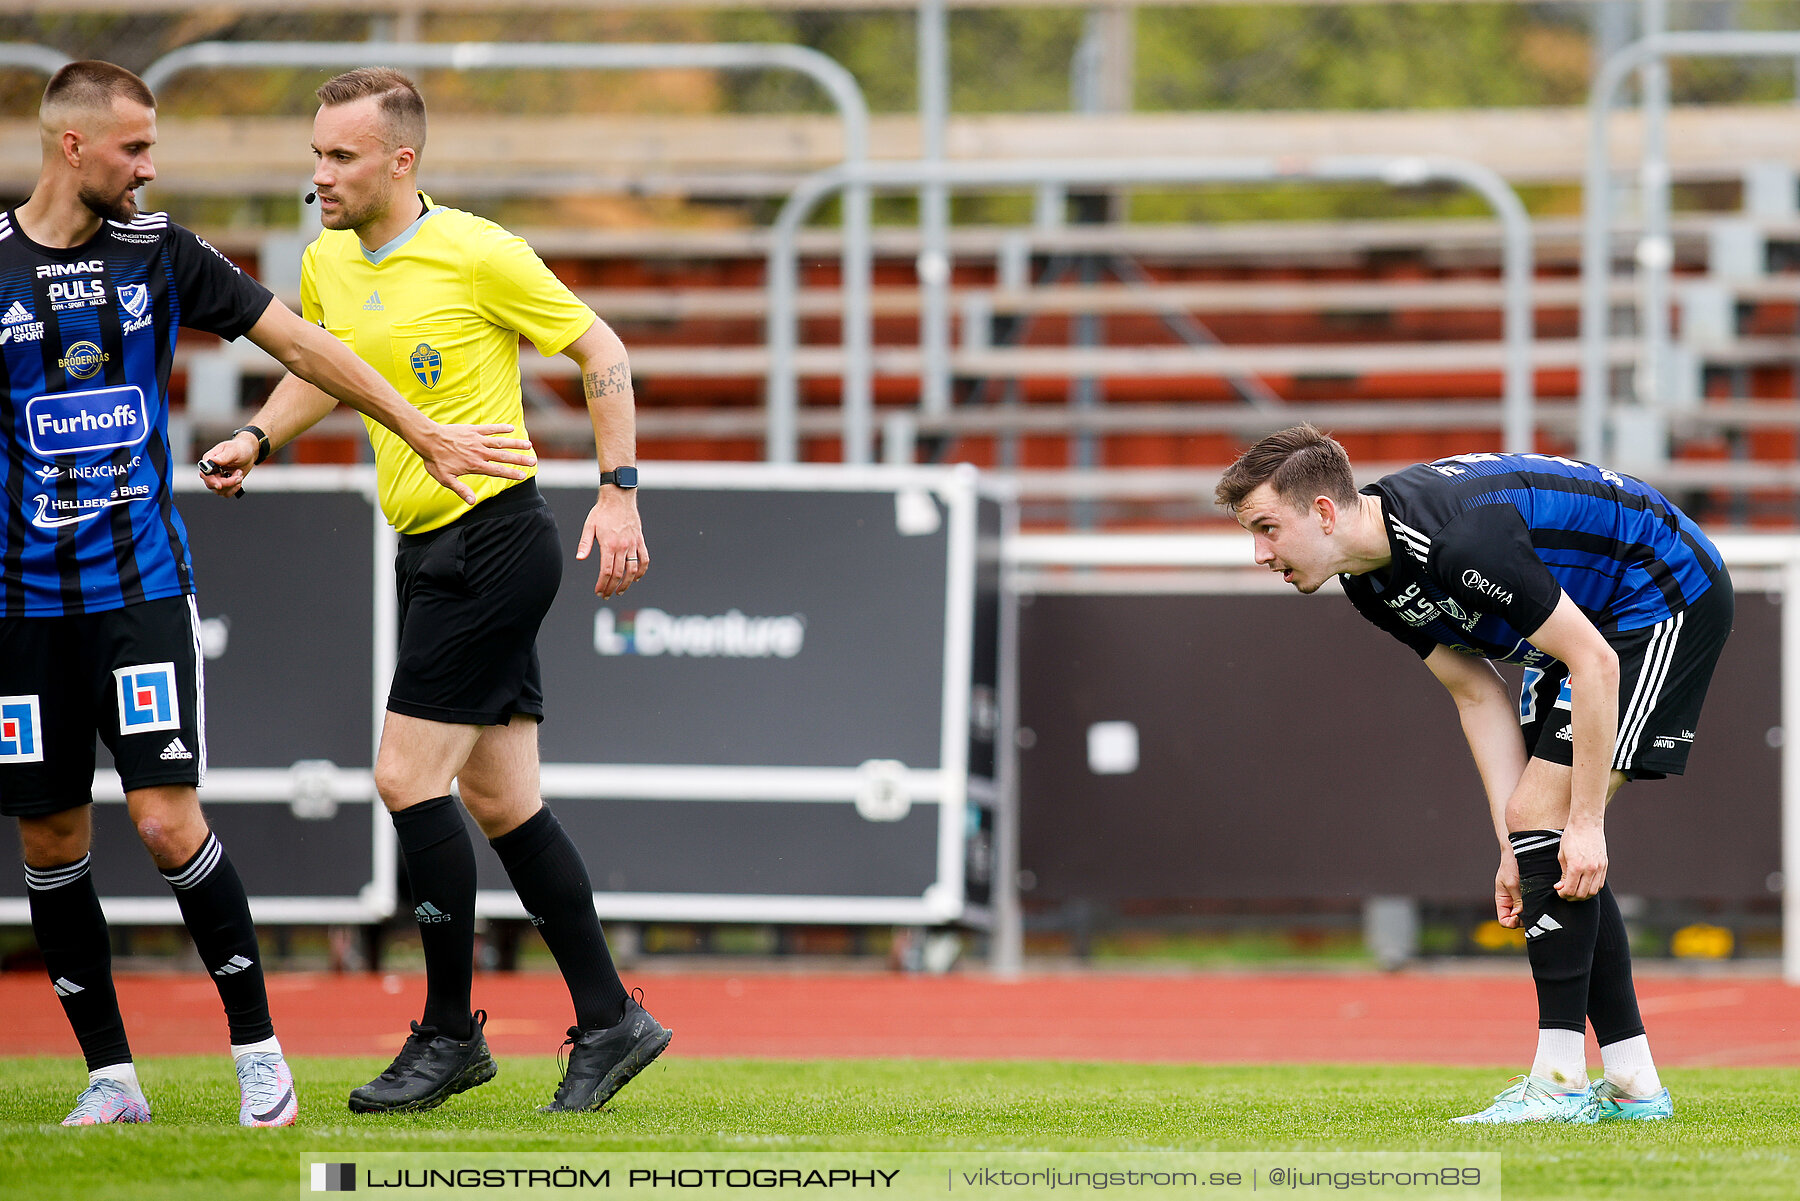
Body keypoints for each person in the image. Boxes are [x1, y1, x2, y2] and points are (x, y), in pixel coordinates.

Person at [3, 61, 531, 1129]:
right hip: (19, 609)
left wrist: (420, 430)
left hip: (139, 592)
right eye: (133, 148)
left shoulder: (163, 256)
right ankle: (111, 1077)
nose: (150, 167)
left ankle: (258, 1055)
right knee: (50, 841)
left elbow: (306, 344)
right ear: (71, 147)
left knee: (162, 825)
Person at [200, 67, 670, 1116]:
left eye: (341, 156)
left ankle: (450, 1032)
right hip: (429, 551)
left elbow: (601, 347)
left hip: (496, 539)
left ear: (400, 162)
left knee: (405, 779)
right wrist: (257, 436)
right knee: (502, 800)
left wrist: (621, 492)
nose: (319, 174)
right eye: (315, 152)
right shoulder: (325, 259)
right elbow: (325, 367)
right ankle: (611, 1018)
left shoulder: (477, 251)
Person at [1216, 425, 1733, 1125]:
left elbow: (1597, 664)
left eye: (1268, 528)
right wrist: (1513, 846)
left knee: (1554, 829)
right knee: (1539, 837)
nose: (1259, 553)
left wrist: (1583, 822)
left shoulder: (1461, 544)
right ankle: (1635, 1085)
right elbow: (1476, 692)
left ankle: (1557, 1083)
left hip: (1659, 596)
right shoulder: (1371, 584)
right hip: (1588, 629)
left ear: (1325, 512)